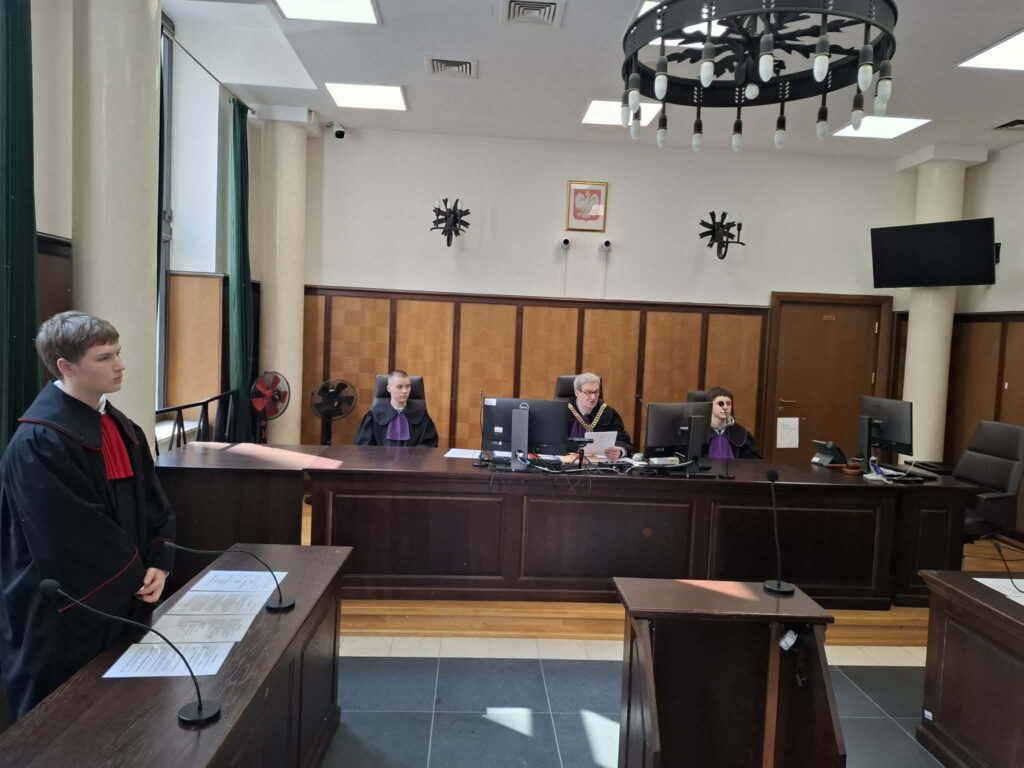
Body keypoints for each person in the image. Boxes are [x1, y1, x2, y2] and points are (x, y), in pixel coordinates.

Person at [0, 312, 176, 721]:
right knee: (64, 720)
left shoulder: (120, 426)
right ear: (66, 366)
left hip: (125, 592)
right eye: (104, 357)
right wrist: (134, 576)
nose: (119, 365)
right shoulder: (39, 441)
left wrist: (158, 561)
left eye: (118, 353)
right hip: (64, 609)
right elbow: (73, 537)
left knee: (123, 714)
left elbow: (154, 502)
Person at [354, 370, 439, 447]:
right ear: (389, 388)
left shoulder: (420, 413)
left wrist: (413, 456)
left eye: (408, 386)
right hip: (380, 459)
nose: (405, 391)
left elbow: (428, 443)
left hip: (414, 458)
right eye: (399, 387)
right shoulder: (374, 414)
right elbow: (365, 445)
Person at [566, 372, 635, 459]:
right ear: (577, 392)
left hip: (600, 463)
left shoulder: (608, 413)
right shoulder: (562, 411)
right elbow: (553, 441)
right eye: (588, 392)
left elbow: (623, 440)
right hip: (566, 461)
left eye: (596, 392)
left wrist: (620, 451)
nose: (593, 397)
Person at [704, 385, 760, 459]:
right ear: (710, 405)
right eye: (720, 404)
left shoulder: (742, 434)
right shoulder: (698, 432)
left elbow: (753, 462)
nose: (725, 407)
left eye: (728, 404)